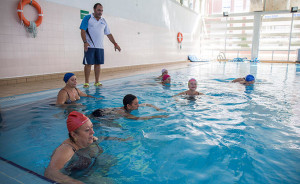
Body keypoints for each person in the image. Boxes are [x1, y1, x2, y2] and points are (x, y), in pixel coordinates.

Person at [44, 111, 130, 184]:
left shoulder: (88, 139)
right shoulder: (66, 150)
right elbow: (50, 173)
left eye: (92, 127)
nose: (92, 132)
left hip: (89, 169)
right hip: (78, 177)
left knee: (110, 159)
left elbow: (101, 138)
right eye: (87, 130)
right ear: (74, 135)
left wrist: (121, 139)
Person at [80, 3, 121, 88]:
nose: (100, 12)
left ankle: (97, 81)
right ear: (94, 9)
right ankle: (87, 82)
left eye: (101, 10)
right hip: (90, 46)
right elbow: (83, 30)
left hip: (100, 47)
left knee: (98, 64)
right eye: (99, 10)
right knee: (88, 64)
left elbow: (108, 34)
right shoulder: (87, 18)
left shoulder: (103, 20)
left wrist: (115, 43)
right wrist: (85, 42)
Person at [92, 94, 168, 120]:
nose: (138, 105)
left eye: (138, 103)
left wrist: (157, 109)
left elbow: (147, 104)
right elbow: (137, 118)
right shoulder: (122, 112)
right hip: (100, 115)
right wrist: (158, 116)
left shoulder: (131, 106)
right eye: (136, 104)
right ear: (128, 105)